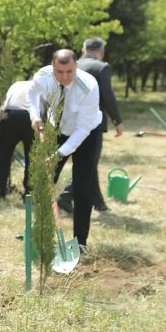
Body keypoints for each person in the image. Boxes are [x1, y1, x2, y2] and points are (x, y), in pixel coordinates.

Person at [27, 49, 101, 251]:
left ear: (76, 66)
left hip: (86, 134)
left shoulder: (88, 87)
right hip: (57, 128)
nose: (65, 76)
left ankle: (80, 241)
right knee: (44, 181)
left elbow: (83, 129)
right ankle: (41, 231)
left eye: (69, 71)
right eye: (60, 72)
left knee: (82, 185)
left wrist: (58, 154)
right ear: (52, 69)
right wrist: (34, 115)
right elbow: (31, 93)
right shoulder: (43, 77)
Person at [56, 37, 123, 213]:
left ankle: (99, 203)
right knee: (89, 163)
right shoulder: (101, 67)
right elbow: (107, 96)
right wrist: (117, 120)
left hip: (65, 121)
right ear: (101, 51)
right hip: (89, 124)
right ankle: (66, 195)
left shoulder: (70, 66)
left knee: (89, 163)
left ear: (83, 50)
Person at [0, 80, 34, 199]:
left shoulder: (16, 85)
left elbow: (1, 110)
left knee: (2, 156)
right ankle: (29, 193)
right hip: (29, 117)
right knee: (31, 158)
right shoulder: (41, 86)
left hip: (9, 116)